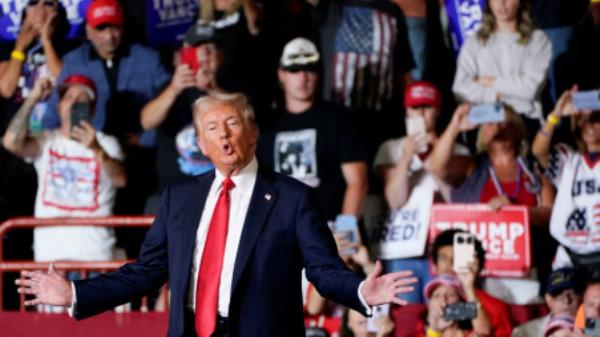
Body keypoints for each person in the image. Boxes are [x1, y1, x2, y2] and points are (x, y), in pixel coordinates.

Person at [15, 92, 418, 337]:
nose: (223, 134)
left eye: (231, 124)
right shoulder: (179, 199)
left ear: (253, 133)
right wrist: (74, 294)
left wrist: (362, 293)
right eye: (212, 129)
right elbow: (145, 272)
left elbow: (323, 271)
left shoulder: (293, 198)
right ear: (202, 145)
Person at [41, 0, 171, 217]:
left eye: (115, 27)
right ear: (88, 31)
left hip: (142, 162)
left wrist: (145, 139)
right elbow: (53, 117)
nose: (109, 35)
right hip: (91, 164)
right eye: (101, 28)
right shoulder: (74, 62)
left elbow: (173, 107)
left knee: (143, 232)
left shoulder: (148, 59)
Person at [429, 104, 555, 303]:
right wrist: (455, 126)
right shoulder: (472, 167)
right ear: (481, 134)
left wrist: (517, 213)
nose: (498, 127)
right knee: (478, 323)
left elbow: (552, 214)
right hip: (478, 274)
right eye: (490, 122)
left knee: (521, 326)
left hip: (525, 271)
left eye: (504, 121)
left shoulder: (534, 170)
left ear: (518, 131)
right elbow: (434, 166)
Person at [2, 74, 126, 263]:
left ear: (92, 110)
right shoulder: (47, 140)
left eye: (82, 99)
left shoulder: (106, 143)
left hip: (95, 256)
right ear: (59, 107)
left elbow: (120, 179)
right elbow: (11, 142)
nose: (75, 103)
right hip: (50, 258)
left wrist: (96, 148)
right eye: (69, 98)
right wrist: (33, 98)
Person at [374, 81, 469, 303]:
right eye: (415, 108)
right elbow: (394, 199)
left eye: (427, 107)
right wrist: (407, 156)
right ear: (406, 111)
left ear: (437, 111)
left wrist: (437, 154)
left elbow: (457, 200)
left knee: (452, 312)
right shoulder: (390, 148)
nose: (421, 114)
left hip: (448, 250)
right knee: (407, 316)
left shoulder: (459, 150)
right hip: (403, 250)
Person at [257, 37, 369, 222]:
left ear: (319, 74)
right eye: (294, 70)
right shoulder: (266, 124)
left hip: (329, 228)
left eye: (310, 69)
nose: (303, 77)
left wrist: (346, 231)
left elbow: (358, 182)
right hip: (283, 232)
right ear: (281, 74)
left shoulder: (340, 118)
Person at [140, 23, 220, 213]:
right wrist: (175, 88)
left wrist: (212, 89)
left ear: (220, 56)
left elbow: (244, 119)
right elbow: (146, 121)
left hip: (219, 194)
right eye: (197, 49)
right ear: (181, 56)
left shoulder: (232, 87)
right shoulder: (169, 89)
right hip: (172, 195)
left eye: (210, 49)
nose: (204, 56)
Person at [531, 89, 600, 281]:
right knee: (563, 305)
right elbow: (538, 150)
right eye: (583, 120)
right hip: (571, 254)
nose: (589, 125)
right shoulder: (569, 161)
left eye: (596, 118)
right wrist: (556, 113)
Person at [452, 0, 552, 131]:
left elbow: (529, 89)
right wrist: (495, 95)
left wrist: (489, 81)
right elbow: (460, 88)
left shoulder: (538, 40)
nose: (502, 3)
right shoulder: (474, 42)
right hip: (486, 121)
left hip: (525, 121)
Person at [430, 229, 511, 337]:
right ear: (434, 266)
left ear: (474, 264)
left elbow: (484, 331)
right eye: (443, 258)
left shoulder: (493, 307)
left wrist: (468, 287)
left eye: (456, 259)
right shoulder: (430, 303)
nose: (449, 265)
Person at [409, 275, 491, 337]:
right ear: (429, 305)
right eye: (437, 296)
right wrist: (434, 332)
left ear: (461, 303)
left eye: (451, 295)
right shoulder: (417, 334)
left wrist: (468, 287)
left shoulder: (470, 333)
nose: (443, 299)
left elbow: (484, 331)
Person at [512, 268, 583, 337]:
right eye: (558, 295)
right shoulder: (524, 332)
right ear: (548, 299)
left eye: (573, 293)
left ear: (582, 296)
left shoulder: (591, 328)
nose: (567, 300)